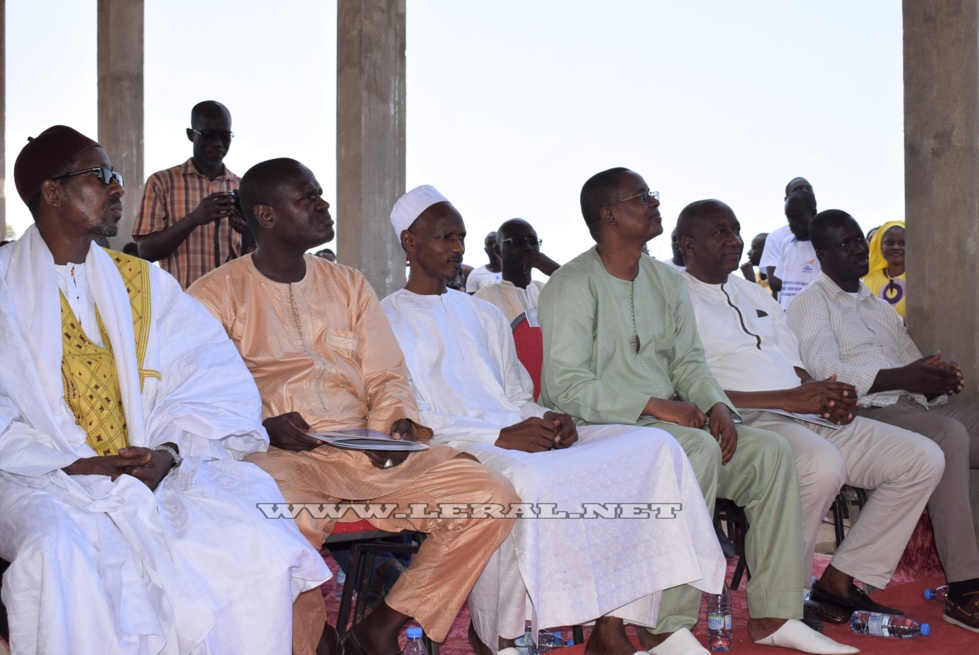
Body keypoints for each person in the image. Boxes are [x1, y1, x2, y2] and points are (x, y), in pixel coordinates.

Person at [0, 126, 329, 654]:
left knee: (251, 540)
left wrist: (168, 453)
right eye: (100, 175)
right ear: (52, 190)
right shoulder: (3, 284)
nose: (116, 188)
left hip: (146, 474)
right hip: (32, 477)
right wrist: (65, 463)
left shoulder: (145, 284)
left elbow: (212, 382)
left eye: (117, 177)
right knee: (59, 549)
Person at [188, 158, 518, 655]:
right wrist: (263, 426)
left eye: (320, 193)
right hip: (277, 459)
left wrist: (396, 426)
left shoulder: (348, 284)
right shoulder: (214, 296)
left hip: (364, 450)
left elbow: (387, 376)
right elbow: (200, 398)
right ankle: (313, 639)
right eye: (308, 198)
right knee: (278, 526)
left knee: (491, 496)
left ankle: (380, 627)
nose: (323, 204)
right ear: (267, 215)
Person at [382, 185, 725, 655]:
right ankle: (496, 636)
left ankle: (612, 627)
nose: (457, 248)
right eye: (444, 237)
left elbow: (517, 393)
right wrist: (500, 435)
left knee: (653, 448)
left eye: (460, 237)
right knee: (525, 479)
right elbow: (412, 417)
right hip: (459, 445)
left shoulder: (482, 313)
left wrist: (551, 418)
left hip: (519, 432)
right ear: (410, 242)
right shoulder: (386, 319)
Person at [538, 167, 857, 655]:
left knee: (770, 453)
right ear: (608, 215)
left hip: (668, 425)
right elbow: (565, 384)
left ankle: (774, 613)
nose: (653, 203)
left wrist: (717, 406)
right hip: (597, 428)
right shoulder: (570, 284)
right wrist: (653, 405)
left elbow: (689, 360)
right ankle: (665, 625)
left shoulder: (666, 281)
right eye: (641, 197)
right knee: (694, 449)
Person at [677, 199, 943, 624]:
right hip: (744, 418)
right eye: (720, 232)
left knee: (921, 458)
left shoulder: (751, 291)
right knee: (820, 464)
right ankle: (785, 599)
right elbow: (682, 387)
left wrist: (822, 395)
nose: (735, 240)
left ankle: (840, 580)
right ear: (688, 245)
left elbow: (794, 360)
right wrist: (785, 399)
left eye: (736, 229)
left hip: (801, 412)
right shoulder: (675, 299)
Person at [787, 209, 979, 634]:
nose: (858, 248)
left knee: (958, 423)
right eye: (845, 244)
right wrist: (905, 377)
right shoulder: (809, 304)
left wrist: (934, 379)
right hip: (867, 411)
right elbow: (826, 374)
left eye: (859, 239)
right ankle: (966, 589)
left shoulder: (877, 305)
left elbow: (912, 364)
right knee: (949, 437)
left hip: (915, 405)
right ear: (821, 255)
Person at [133, 101, 249, 289]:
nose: (217, 143)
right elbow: (145, 251)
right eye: (209, 135)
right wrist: (194, 219)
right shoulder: (162, 182)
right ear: (191, 134)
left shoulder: (243, 186)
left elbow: (258, 255)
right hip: (182, 305)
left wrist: (247, 231)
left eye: (224, 136)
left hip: (234, 305)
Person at [474, 218, 559, 323]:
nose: (528, 247)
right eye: (517, 241)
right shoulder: (484, 298)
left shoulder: (547, 290)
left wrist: (558, 271)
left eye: (533, 241)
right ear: (498, 250)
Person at [760, 177, 814, 300]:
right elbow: (775, 283)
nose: (804, 191)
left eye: (808, 189)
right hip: (790, 309)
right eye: (798, 189)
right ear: (787, 200)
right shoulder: (777, 238)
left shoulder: (828, 232)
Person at [861, 220, 905, 316]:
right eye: (889, 243)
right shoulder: (870, 278)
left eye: (902, 243)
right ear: (880, 247)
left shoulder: (919, 277)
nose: (896, 247)